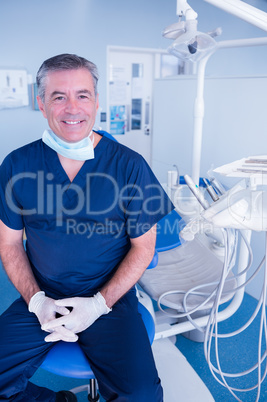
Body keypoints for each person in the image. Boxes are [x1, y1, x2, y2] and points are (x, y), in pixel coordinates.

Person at [0, 53, 173, 402]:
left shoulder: (129, 166)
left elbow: (144, 248)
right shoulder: (17, 164)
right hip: (41, 296)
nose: (72, 108)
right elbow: (9, 244)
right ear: (42, 103)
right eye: (58, 96)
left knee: (142, 396)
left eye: (82, 95)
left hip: (109, 300)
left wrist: (97, 305)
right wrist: (36, 301)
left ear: (96, 101)